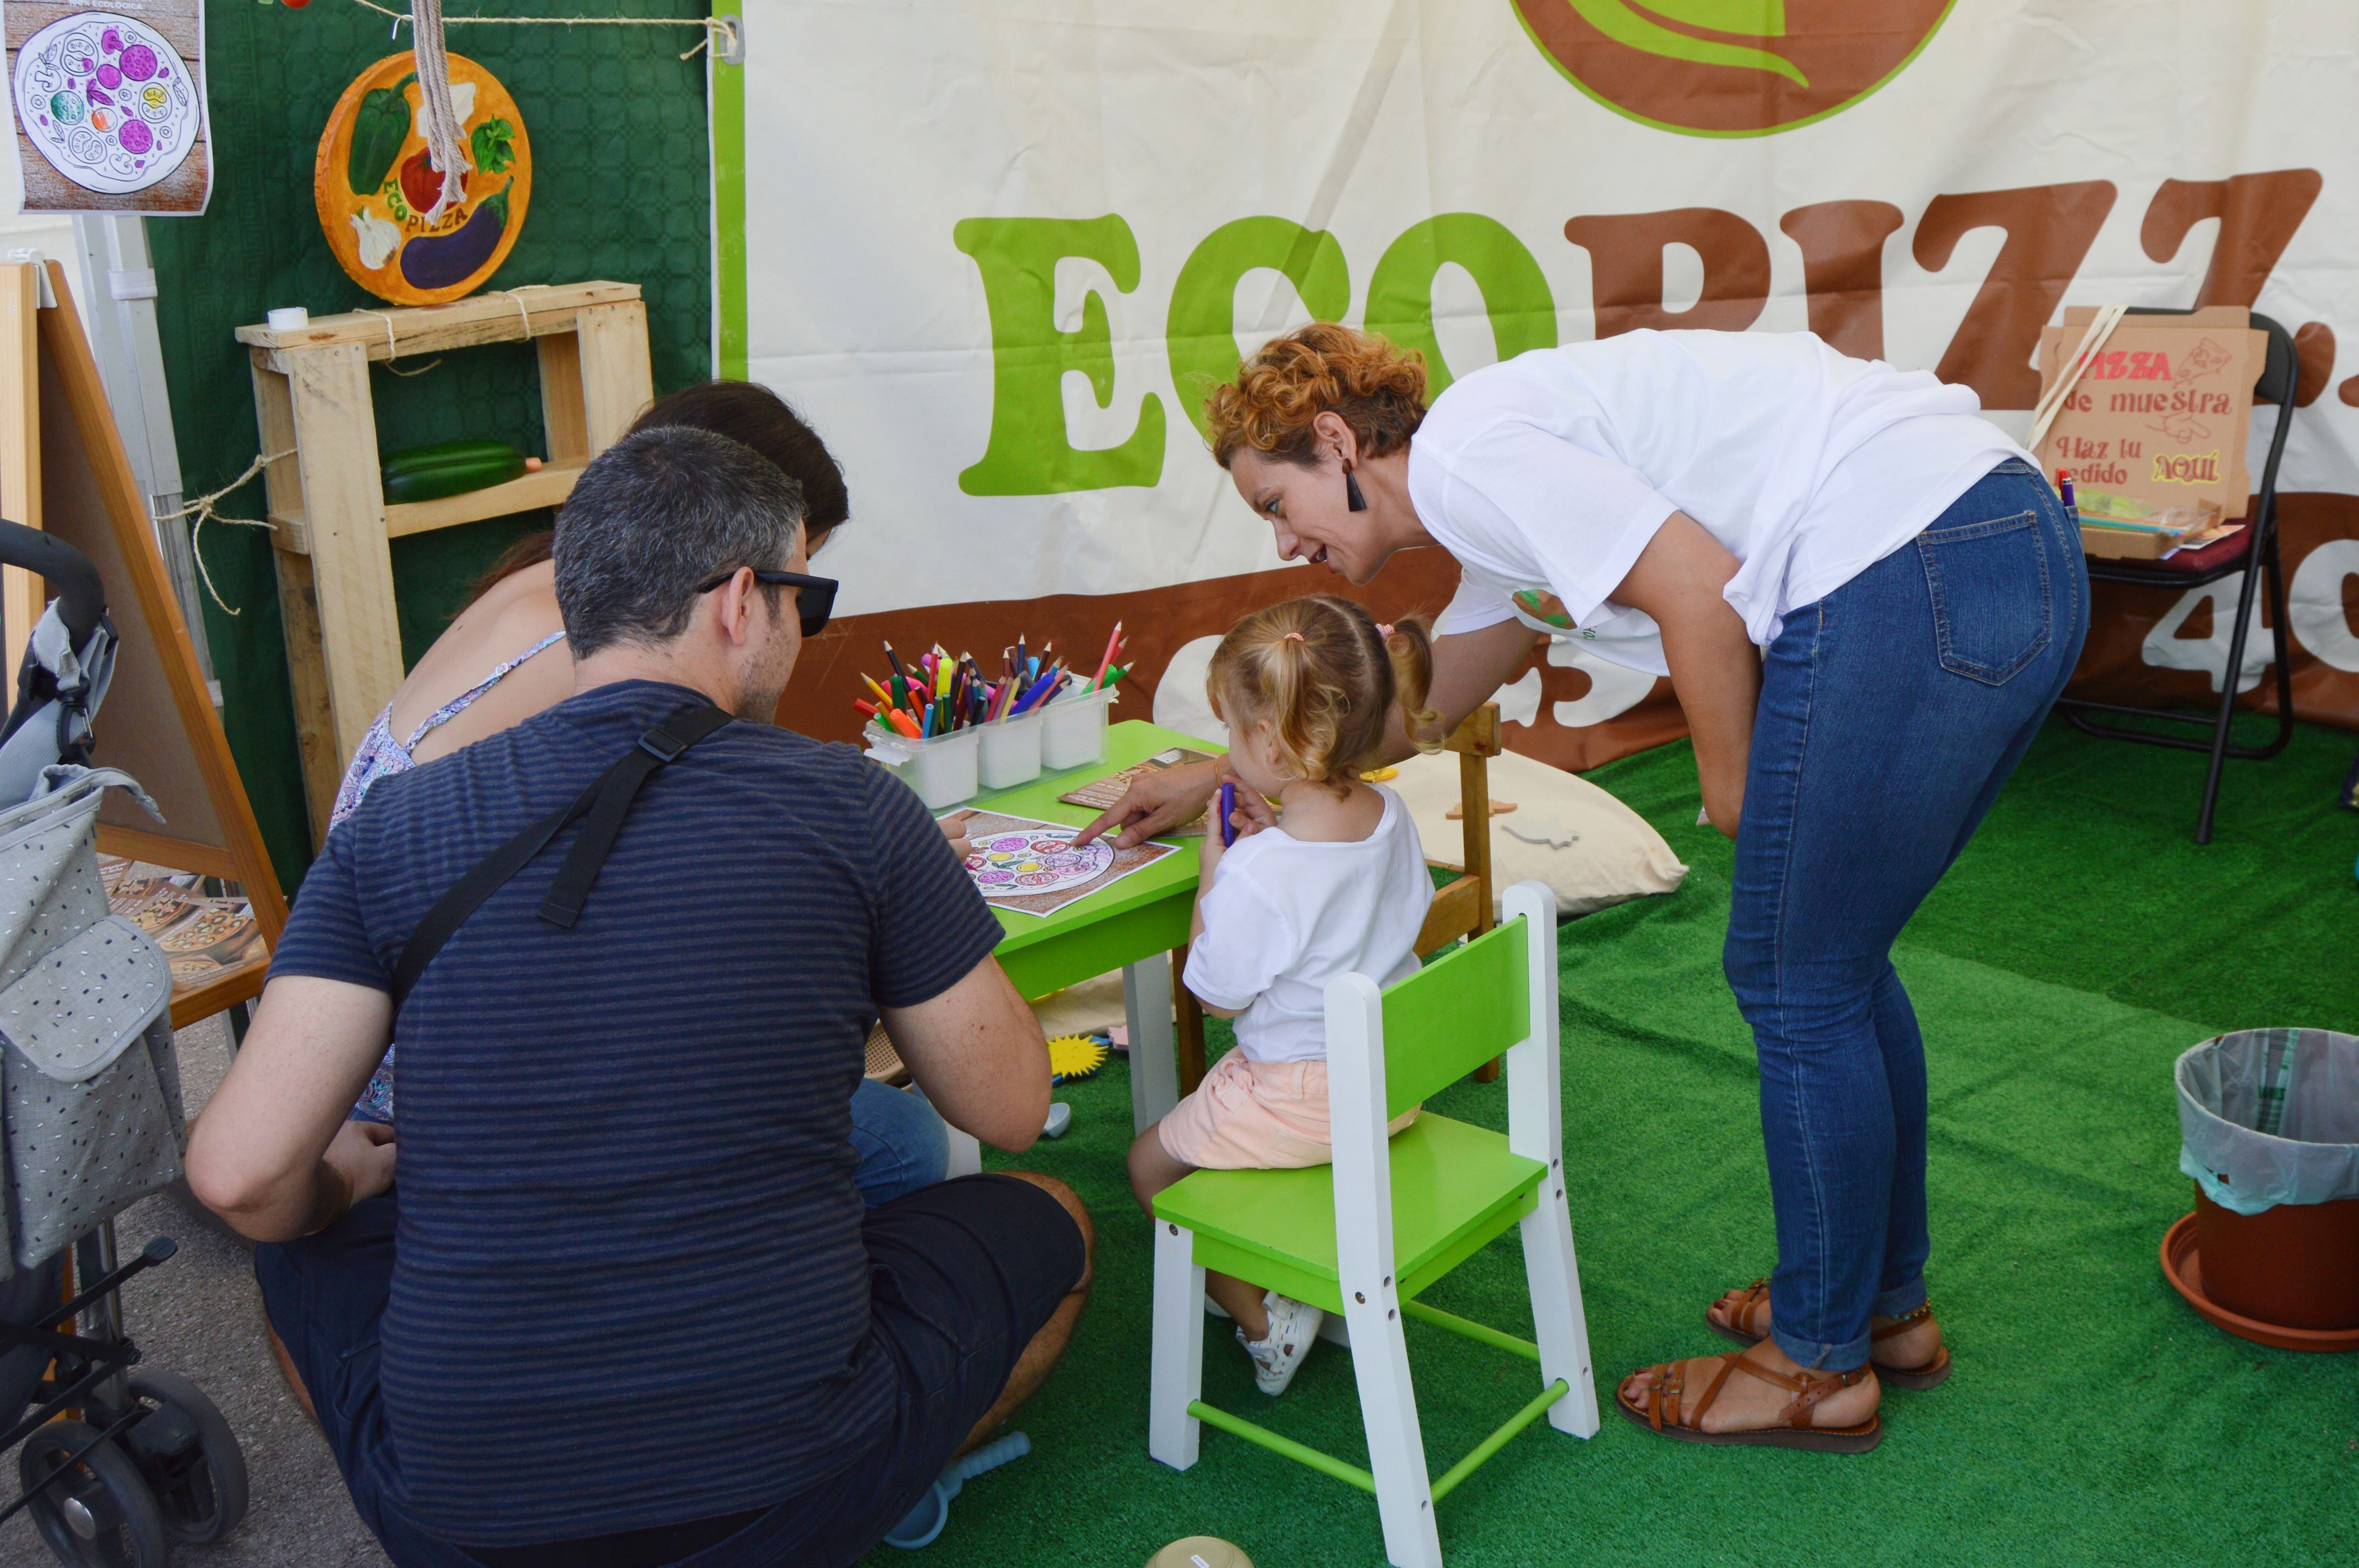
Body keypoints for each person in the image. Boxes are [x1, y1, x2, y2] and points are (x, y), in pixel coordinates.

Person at [1081, 322, 2089, 1451]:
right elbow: (1384, 722)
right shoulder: (1500, 535)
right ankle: (1874, 1306)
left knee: (1793, 977)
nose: (1283, 541)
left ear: (1334, 442)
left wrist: (1731, 797)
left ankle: (1816, 1364)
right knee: (1831, 969)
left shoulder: (1468, 462)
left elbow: (1699, 590)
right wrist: (1217, 770)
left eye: (1277, 501)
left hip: (1916, 559)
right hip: (1998, 548)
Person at [186, 425, 1092, 1567]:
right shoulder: (852, 805)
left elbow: (235, 1173)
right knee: (1049, 1214)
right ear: (739, 602)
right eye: (802, 603)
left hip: (462, 1521)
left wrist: (340, 1188)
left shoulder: (392, 828)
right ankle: (888, 1484)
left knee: (299, 1250)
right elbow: (1010, 1107)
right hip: (788, 1486)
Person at [326, 382, 940, 1207]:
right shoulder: (584, 659)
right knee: (902, 1141)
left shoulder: (552, 587)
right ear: (733, 566)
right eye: (793, 586)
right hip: (445, 1077)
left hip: (359, 1039)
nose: (788, 622)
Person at [1127, 594, 1439, 1396]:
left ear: (1269, 739)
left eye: (1229, 730)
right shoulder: (1390, 813)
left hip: (1303, 1096)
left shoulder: (1260, 873)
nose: (1225, 748)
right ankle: (1287, 1273)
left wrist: (1214, 876)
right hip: (1392, 1079)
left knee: (1147, 1167)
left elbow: (1215, 996)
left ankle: (1266, 1321)